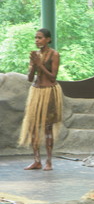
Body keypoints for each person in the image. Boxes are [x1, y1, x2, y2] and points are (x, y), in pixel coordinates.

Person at [19, 28, 62, 171]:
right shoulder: (35, 55)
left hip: (49, 92)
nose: (37, 40)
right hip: (36, 91)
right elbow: (30, 78)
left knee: (47, 127)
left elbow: (53, 76)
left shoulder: (54, 54)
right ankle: (37, 160)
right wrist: (33, 65)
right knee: (32, 126)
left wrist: (40, 65)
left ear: (48, 39)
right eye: (36, 38)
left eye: (40, 38)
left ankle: (49, 161)